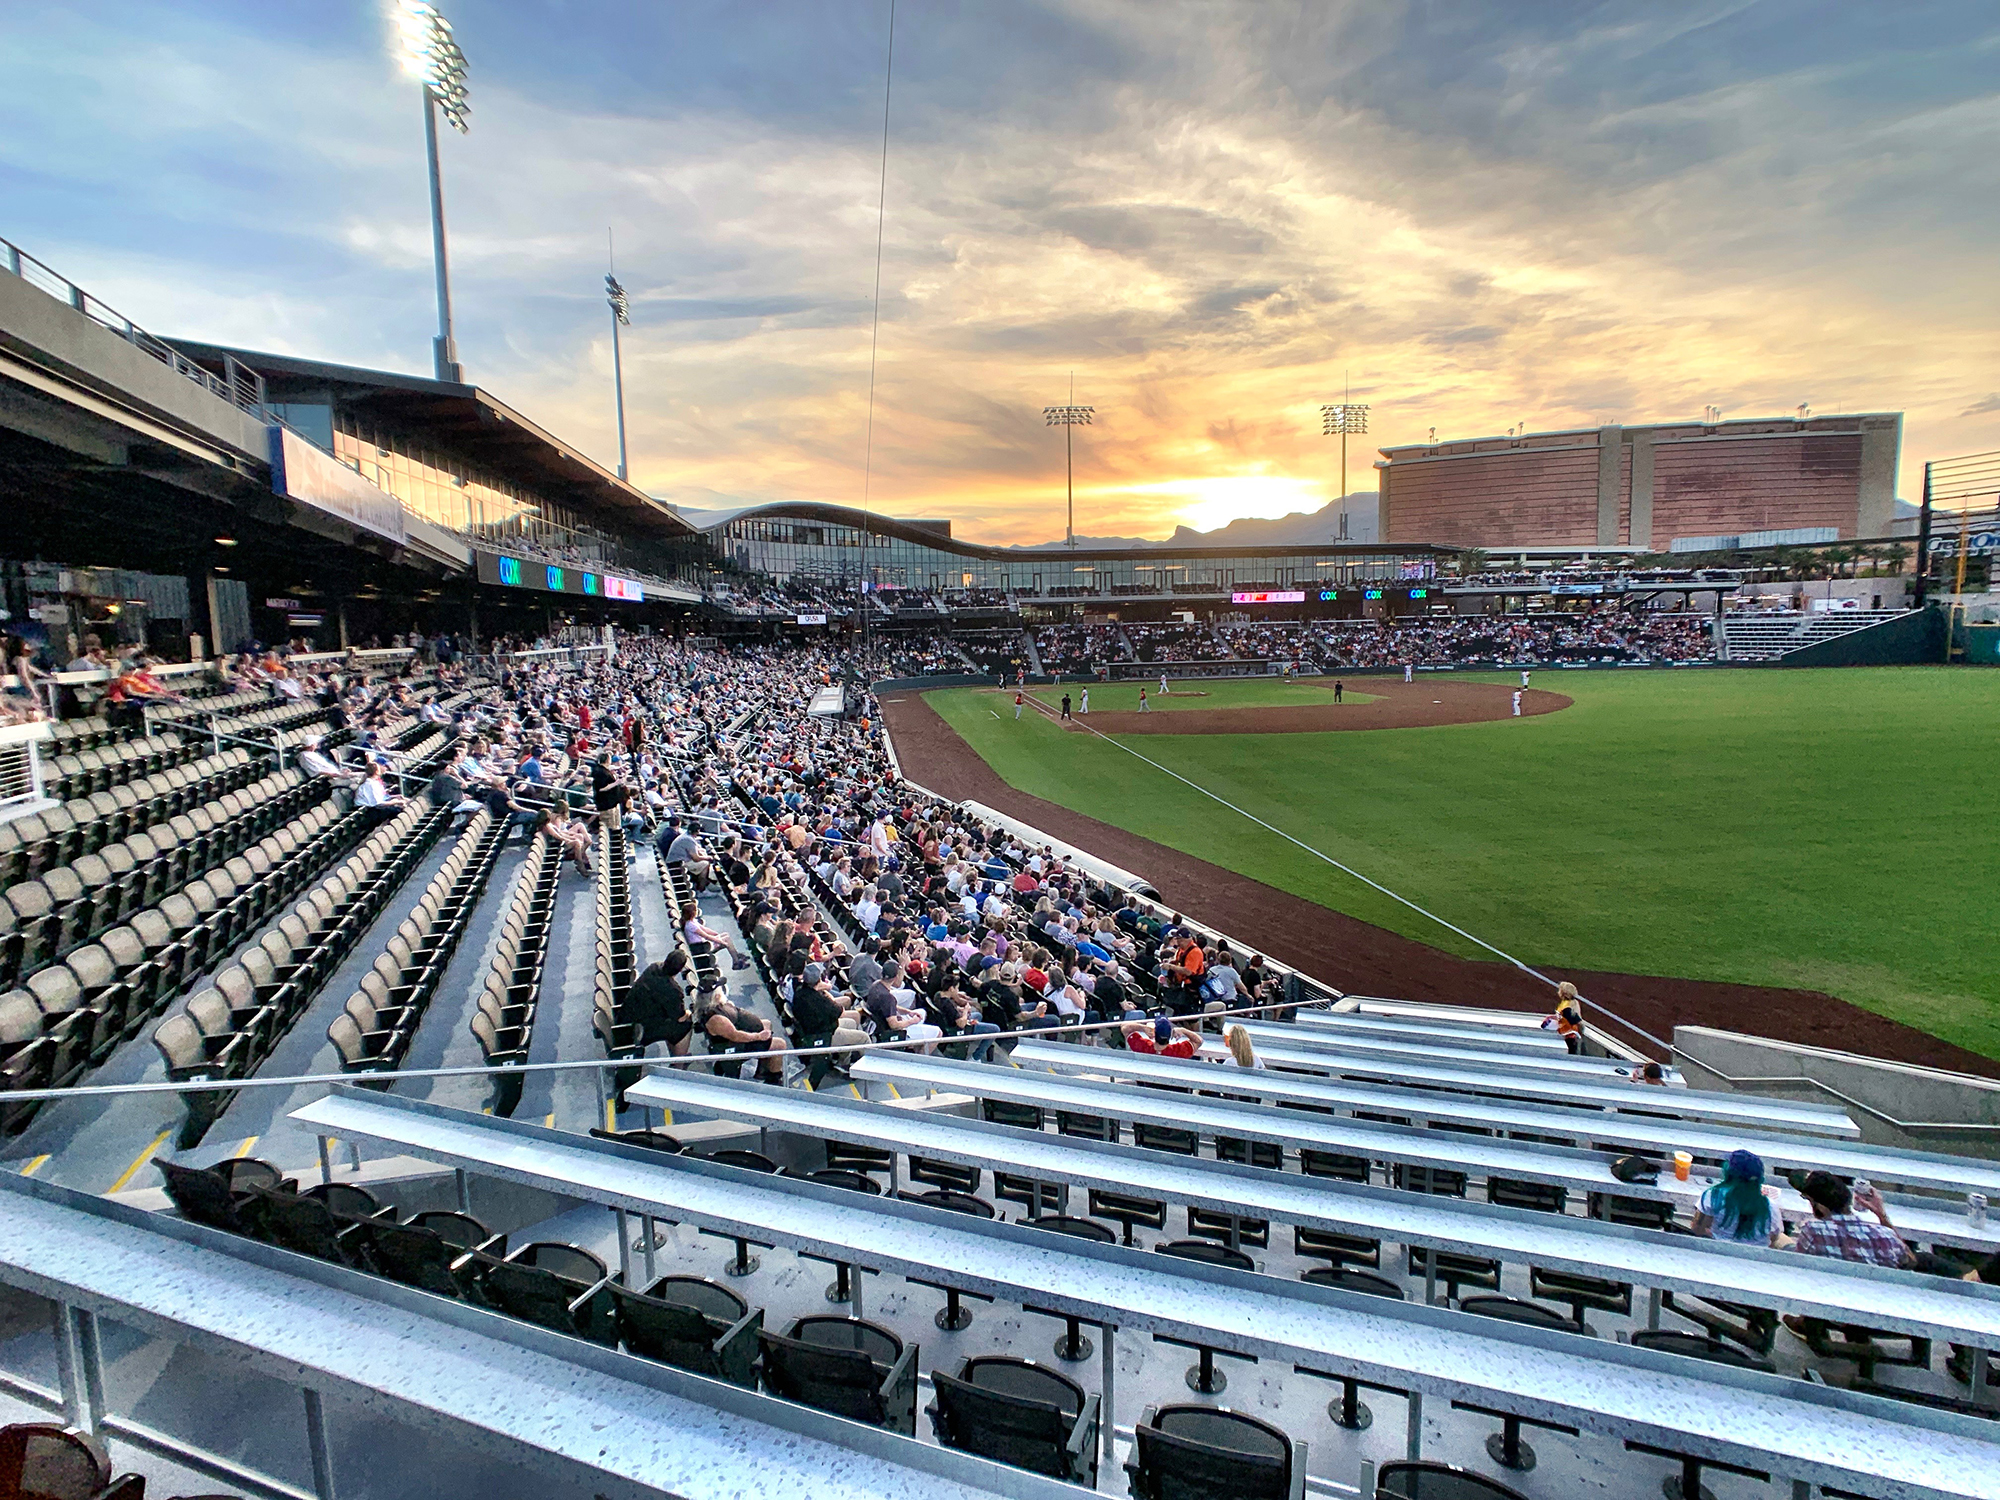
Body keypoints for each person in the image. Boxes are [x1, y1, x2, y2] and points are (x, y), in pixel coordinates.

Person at [696, 986, 787, 1083]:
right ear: (717, 996)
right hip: (734, 1046)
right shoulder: (716, 1020)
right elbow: (735, 1036)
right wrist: (759, 1036)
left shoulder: (716, 1006)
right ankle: (773, 1079)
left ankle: (762, 1069)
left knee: (766, 1023)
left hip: (739, 1034)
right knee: (780, 1044)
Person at [1692, 1150, 1782, 1246]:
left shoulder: (1713, 1196)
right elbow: (1773, 1238)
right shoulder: (1770, 1207)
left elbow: (1697, 1229)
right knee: (1784, 1238)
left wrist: (1713, 1235)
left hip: (1718, 1251)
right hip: (1755, 1257)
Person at [623, 951, 693, 1056]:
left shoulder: (654, 967)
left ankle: (675, 1056)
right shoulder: (673, 991)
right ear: (680, 970)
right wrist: (689, 1013)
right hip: (639, 1029)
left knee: (669, 1021)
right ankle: (678, 1064)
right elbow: (680, 1017)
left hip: (628, 1016)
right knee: (685, 1025)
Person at [681, 900, 747, 971]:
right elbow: (706, 936)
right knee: (726, 940)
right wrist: (720, 941)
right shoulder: (691, 925)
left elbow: (705, 929)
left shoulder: (692, 921)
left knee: (725, 935)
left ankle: (736, 957)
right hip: (702, 947)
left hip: (704, 943)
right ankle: (736, 961)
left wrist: (716, 934)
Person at [353, 761, 405, 826]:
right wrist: (395, 802)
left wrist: (395, 797)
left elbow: (382, 797)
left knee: (400, 806)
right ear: (376, 771)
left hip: (374, 807)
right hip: (368, 811)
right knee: (397, 810)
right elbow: (378, 803)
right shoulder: (370, 784)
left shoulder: (374, 782)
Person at [1125, 1015, 1199, 1058]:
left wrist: (1142, 1028)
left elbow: (1125, 1028)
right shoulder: (1179, 1050)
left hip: (1146, 1084)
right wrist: (1183, 1030)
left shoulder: (1143, 1046)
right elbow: (1199, 1041)